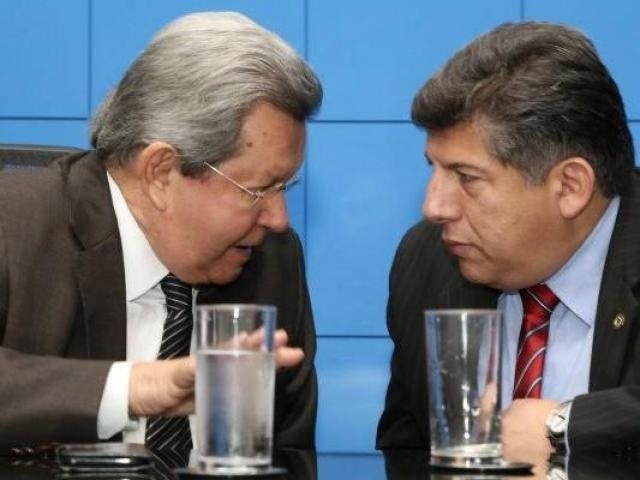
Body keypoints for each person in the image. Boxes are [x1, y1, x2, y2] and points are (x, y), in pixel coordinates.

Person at [0, 11, 322, 455]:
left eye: (285, 186)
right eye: (259, 189)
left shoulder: (272, 261)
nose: (279, 219)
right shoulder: (13, 227)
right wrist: (133, 388)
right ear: (161, 172)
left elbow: (289, 452)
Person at [377, 21, 640, 458]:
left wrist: (568, 428)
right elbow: (407, 449)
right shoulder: (426, 260)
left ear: (570, 186)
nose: (433, 207)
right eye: (434, 168)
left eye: (466, 177)